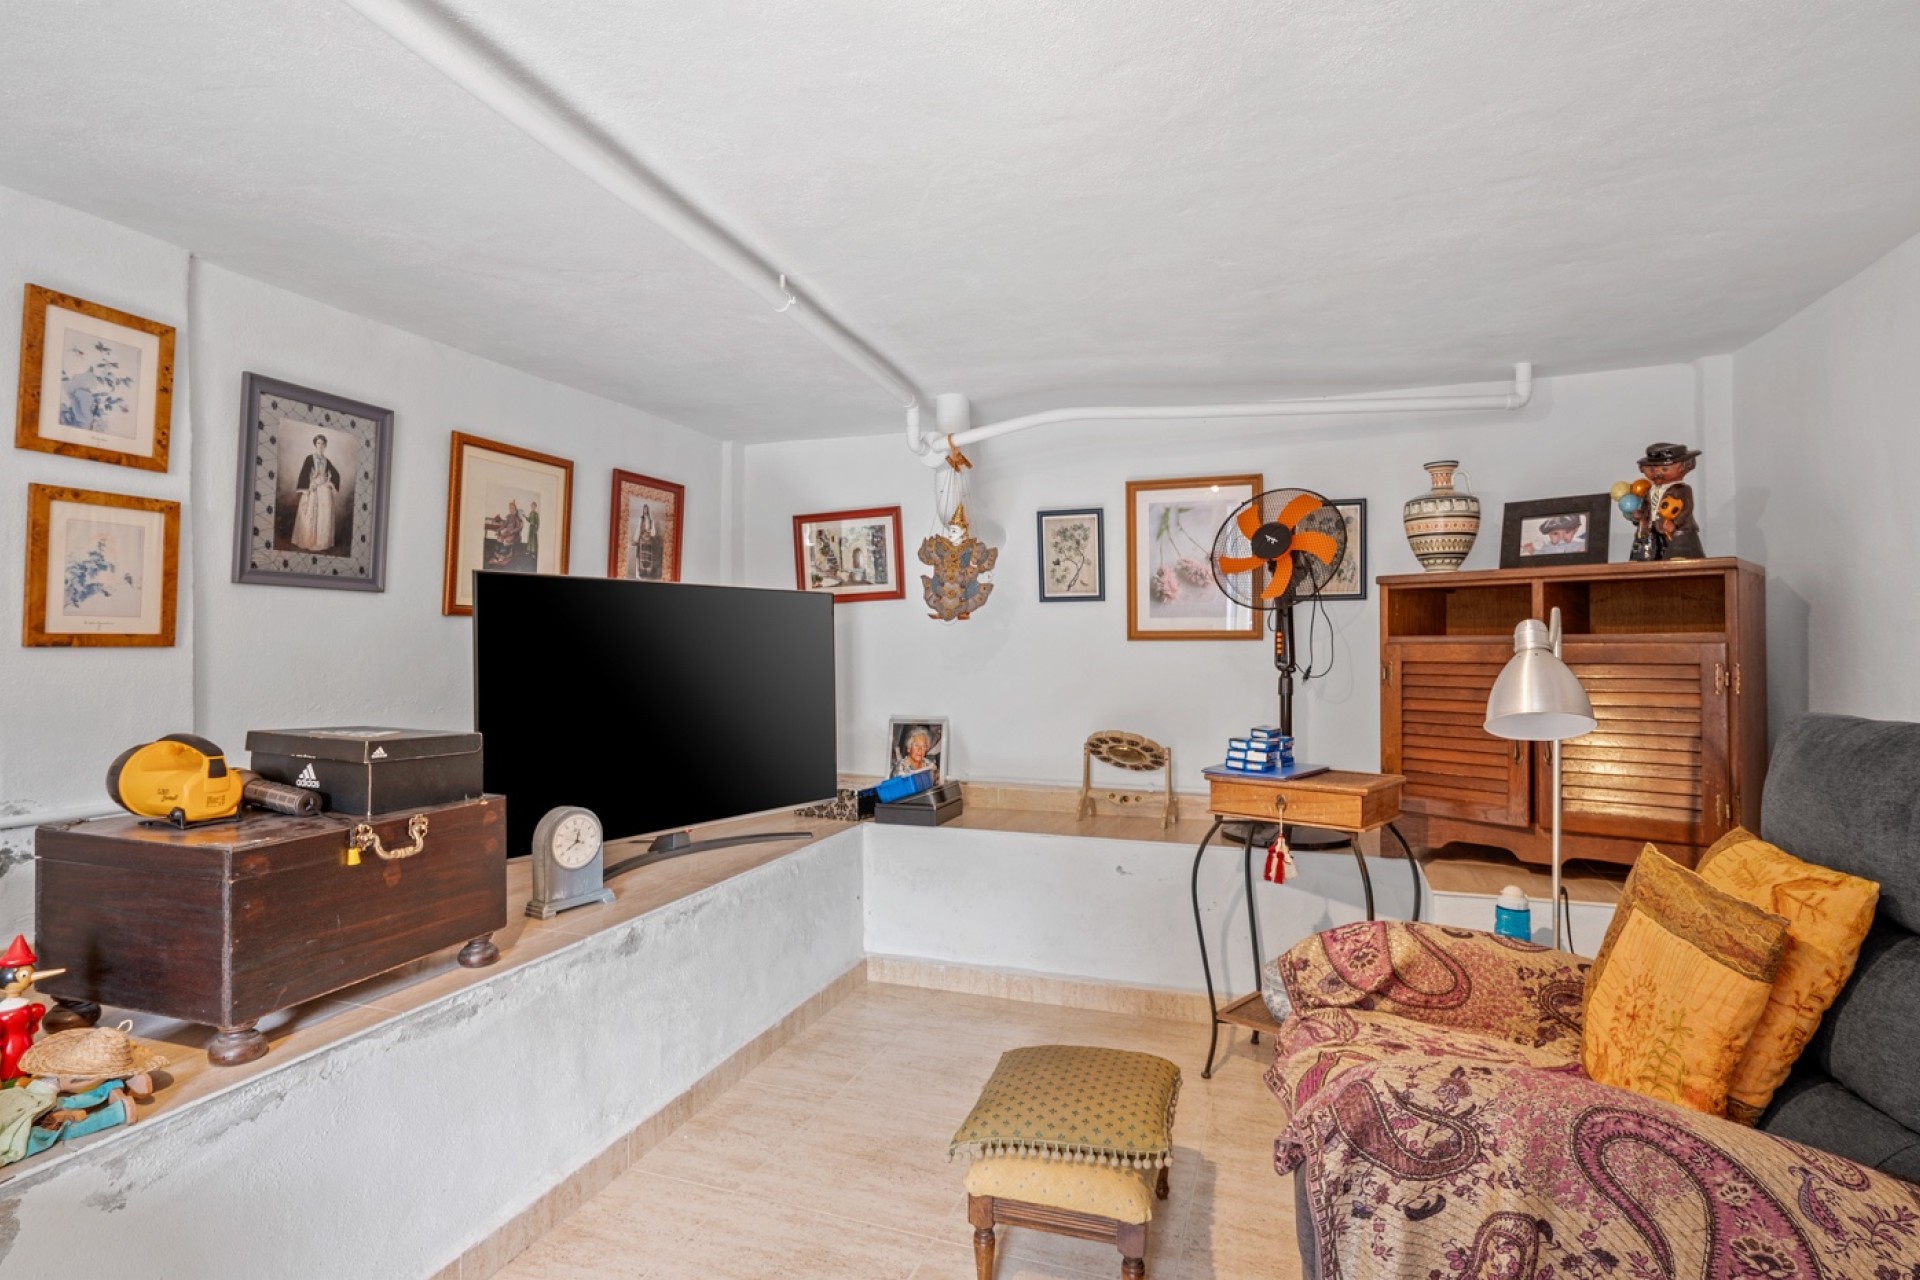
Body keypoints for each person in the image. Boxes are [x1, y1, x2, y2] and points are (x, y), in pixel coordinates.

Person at [1632, 442, 1704, 560]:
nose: (1657, 473)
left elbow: (1686, 509)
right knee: (1648, 558)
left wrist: (1675, 523)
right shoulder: (1649, 491)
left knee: (1677, 557)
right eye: (1652, 469)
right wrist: (1640, 516)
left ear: (1683, 468)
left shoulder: (1681, 489)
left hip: (1677, 533)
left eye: (1664, 469)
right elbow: (1647, 507)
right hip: (1653, 532)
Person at [290, 434, 341, 553]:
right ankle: (308, 542)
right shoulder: (309, 458)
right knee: (309, 513)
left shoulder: (327, 461)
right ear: (315, 444)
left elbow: (336, 474)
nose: (320, 446)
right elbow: (304, 473)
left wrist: (330, 483)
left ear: (325, 446)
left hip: (323, 488)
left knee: (324, 514)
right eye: (318, 443)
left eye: (323, 444)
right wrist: (309, 486)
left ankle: (322, 542)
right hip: (312, 487)